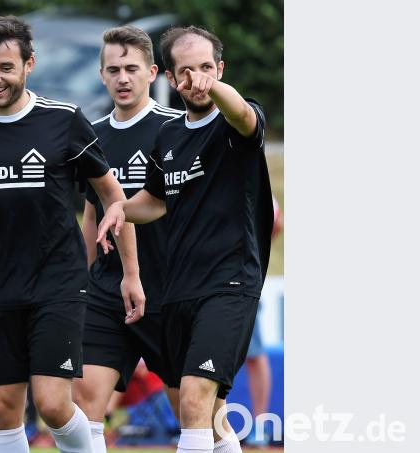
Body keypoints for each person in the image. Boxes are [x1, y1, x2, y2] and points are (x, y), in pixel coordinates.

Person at [0, 15, 146, 453]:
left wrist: (130, 274)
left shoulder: (63, 121)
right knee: (2, 410)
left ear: (29, 65)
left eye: (6, 67)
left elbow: (113, 199)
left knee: (53, 404)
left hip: (56, 283)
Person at [97, 25, 273, 453]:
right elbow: (155, 202)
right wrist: (120, 208)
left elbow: (243, 114)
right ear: (171, 80)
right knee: (206, 416)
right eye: (187, 71)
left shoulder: (236, 124)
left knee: (195, 399)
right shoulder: (170, 136)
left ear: (220, 70)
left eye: (207, 68)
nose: (197, 79)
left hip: (229, 284)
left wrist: (218, 89)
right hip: (177, 289)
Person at [70, 25, 182, 453]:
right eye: (113, 69)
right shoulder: (90, 133)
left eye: (131, 68)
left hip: (169, 289)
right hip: (106, 291)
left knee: (195, 412)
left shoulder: (177, 129)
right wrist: (80, 278)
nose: (122, 78)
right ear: (101, 75)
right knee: (83, 404)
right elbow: (92, 211)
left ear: (152, 72)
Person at [243, 196, 283, 446]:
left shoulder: (250, 173)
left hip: (243, 282)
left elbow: (277, 219)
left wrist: (257, 250)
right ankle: (199, 425)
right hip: (202, 280)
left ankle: (259, 426)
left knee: (254, 355)